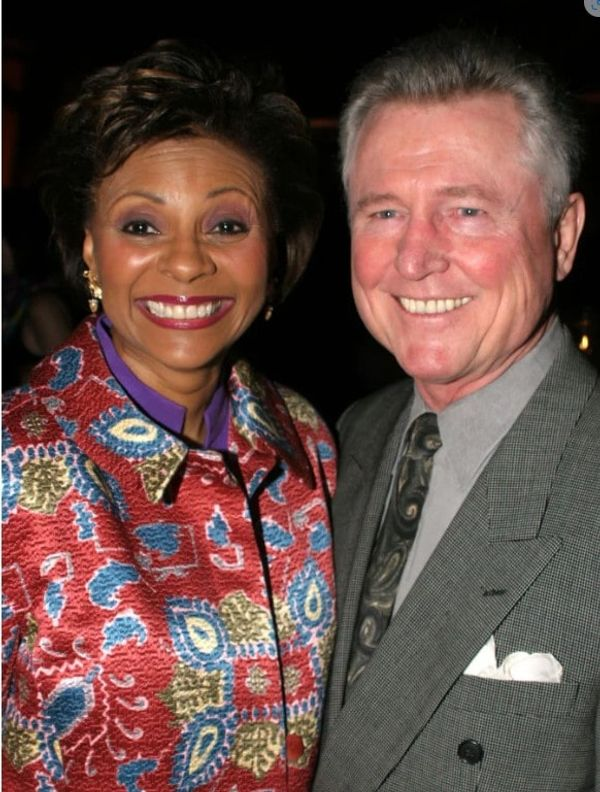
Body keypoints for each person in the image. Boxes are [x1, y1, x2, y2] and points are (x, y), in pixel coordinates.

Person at [2, 42, 336, 791]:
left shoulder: (308, 441)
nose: (187, 262)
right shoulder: (15, 464)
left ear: (272, 253)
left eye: (227, 225)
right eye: (142, 226)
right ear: (91, 249)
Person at [313, 29, 599, 792]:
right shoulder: (344, 437)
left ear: (563, 235)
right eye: (383, 213)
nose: (414, 259)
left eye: (466, 210)